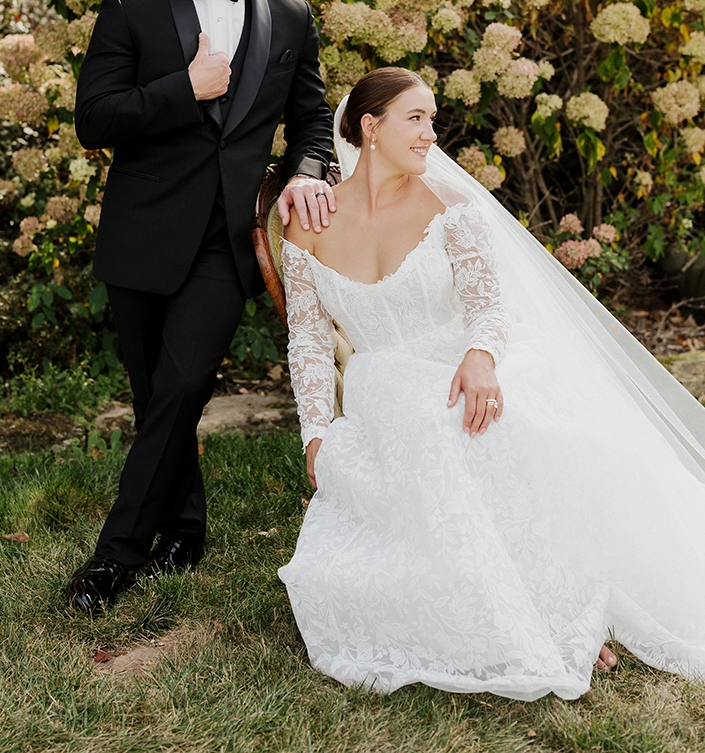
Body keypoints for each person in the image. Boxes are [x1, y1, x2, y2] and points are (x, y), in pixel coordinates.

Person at [279, 68, 705, 699]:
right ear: (369, 128)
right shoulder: (309, 227)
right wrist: (316, 433)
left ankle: (565, 601)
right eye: (415, 119)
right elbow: (310, 344)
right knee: (436, 431)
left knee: (511, 425)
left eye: (432, 119)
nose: (431, 134)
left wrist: (481, 356)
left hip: (461, 362)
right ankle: (531, 609)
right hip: (384, 384)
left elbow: (487, 307)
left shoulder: (450, 207)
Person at [65, 0, 339, 615]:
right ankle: (185, 531)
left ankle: (114, 558)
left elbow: (312, 121)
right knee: (160, 397)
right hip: (142, 235)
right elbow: (94, 120)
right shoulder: (132, 6)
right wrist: (179, 90)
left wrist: (311, 173)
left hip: (229, 242)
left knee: (184, 382)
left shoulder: (290, 16)